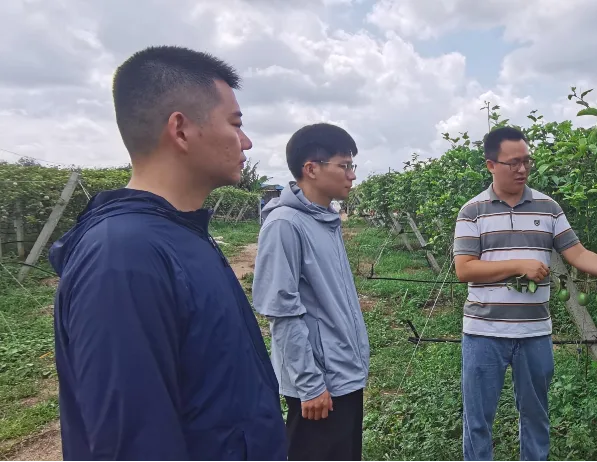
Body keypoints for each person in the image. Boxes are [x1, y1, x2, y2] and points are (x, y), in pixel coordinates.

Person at [47, 46, 287, 462]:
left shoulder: (179, 234)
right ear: (180, 129)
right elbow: (132, 442)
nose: (246, 141)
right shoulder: (122, 257)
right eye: (235, 124)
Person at [453, 126, 597, 462]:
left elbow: (578, 253)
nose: (522, 169)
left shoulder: (548, 207)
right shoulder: (473, 211)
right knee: (478, 421)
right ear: (490, 165)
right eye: (513, 162)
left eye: (527, 161)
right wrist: (519, 266)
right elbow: (465, 268)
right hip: (484, 332)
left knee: (536, 417)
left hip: (534, 333)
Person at [251, 123, 370, 462]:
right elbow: (281, 311)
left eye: (352, 166)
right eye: (344, 166)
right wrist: (310, 384)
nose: (351, 175)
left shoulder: (324, 220)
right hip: (320, 383)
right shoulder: (285, 225)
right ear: (312, 169)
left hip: (343, 373)